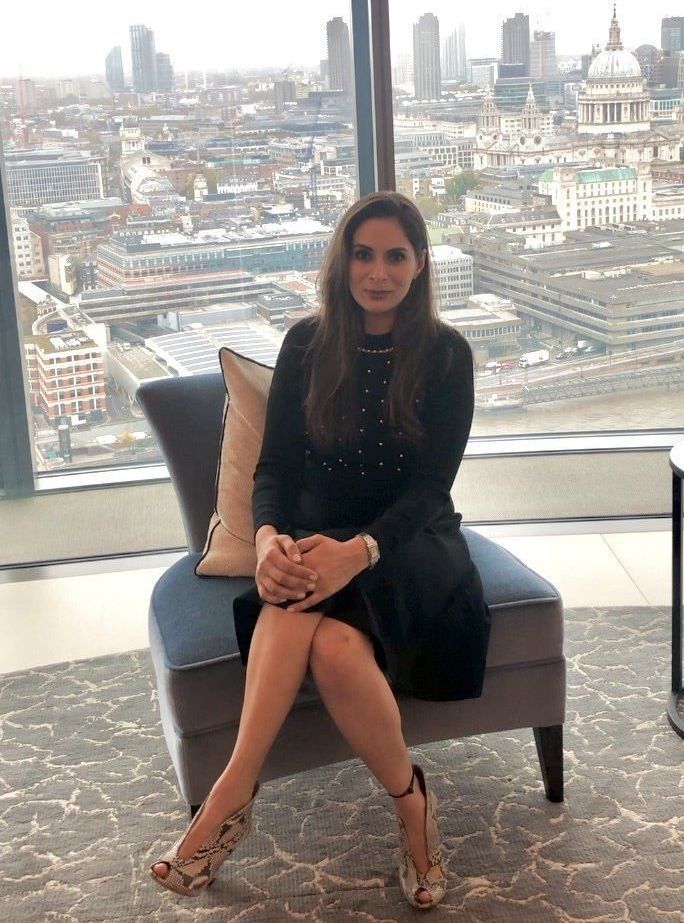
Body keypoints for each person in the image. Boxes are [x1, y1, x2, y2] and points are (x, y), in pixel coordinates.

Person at [150, 191, 491, 909]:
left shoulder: (447, 354)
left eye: (395, 256)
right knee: (318, 619)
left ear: (420, 264)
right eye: (363, 255)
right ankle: (399, 801)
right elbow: (274, 468)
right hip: (317, 537)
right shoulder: (307, 343)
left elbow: (431, 489)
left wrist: (360, 550)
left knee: (322, 618)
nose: (377, 272)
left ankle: (237, 800)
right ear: (343, 262)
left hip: (411, 544)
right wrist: (267, 537)